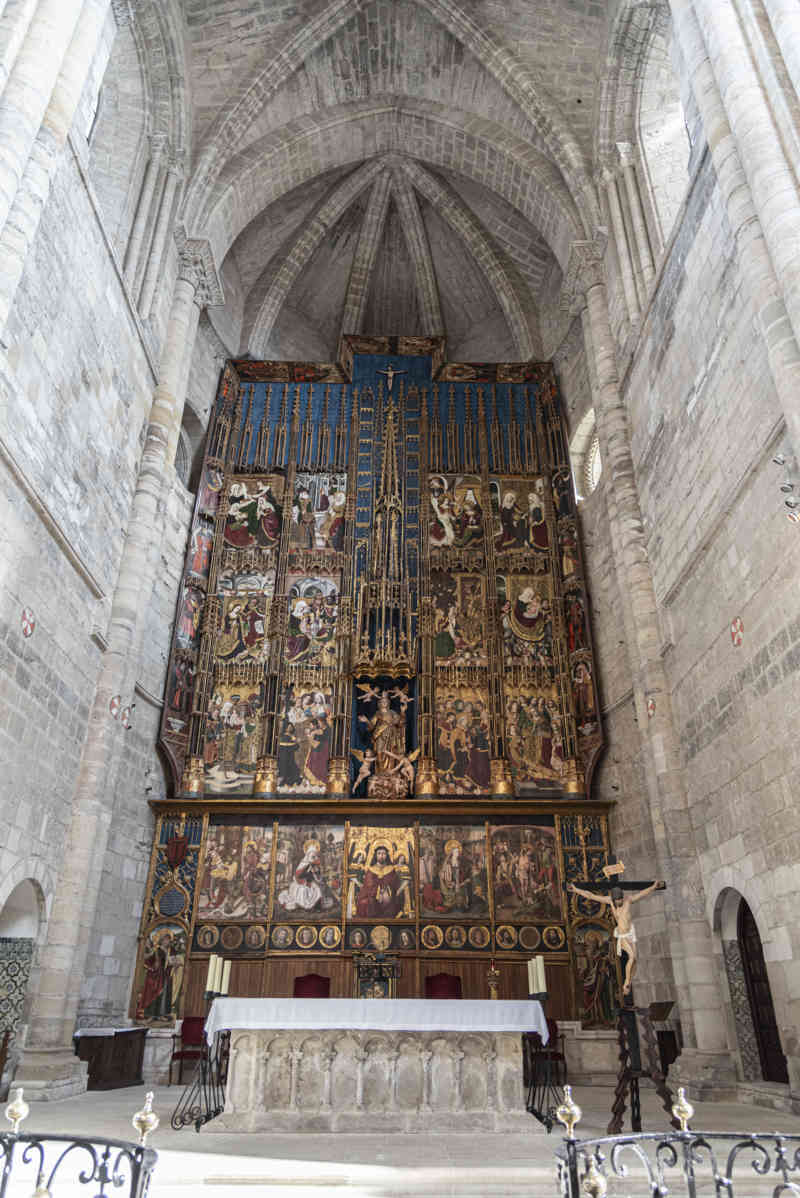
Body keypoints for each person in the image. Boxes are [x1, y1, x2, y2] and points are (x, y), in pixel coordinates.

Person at [568, 879, 663, 994]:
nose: (619, 902)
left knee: (635, 961)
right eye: (617, 900)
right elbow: (591, 896)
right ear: (613, 899)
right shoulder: (609, 901)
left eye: (620, 899)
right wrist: (576, 889)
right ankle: (626, 983)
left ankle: (629, 982)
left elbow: (641, 894)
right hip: (622, 935)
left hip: (630, 933)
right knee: (631, 957)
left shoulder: (628, 900)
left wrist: (653, 887)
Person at [356, 845, 407, 918]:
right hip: (372, 896)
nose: (381, 856)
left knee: (393, 901)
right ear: (375, 856)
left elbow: (395, 884)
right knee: (364, 903)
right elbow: (368, 885)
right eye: (379, 853)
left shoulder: (391, 869)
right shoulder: (371, 870)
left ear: (387, 855)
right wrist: (378, 892)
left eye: (384, 853)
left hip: (389, 895)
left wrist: (386, 891)